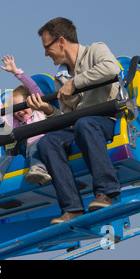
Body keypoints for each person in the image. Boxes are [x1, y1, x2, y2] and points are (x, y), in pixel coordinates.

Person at [27, 17, 121, 225]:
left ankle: (106, 192)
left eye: (47, 47)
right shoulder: (59, 78)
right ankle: (72, 208)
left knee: (85, 123)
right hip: (80, 127)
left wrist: (75, 83)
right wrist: (49, 110)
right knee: (47, 141)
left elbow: (112, 69)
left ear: (61, 41)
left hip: (105, 120)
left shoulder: (96, 50)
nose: (45, 53)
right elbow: (67, 120)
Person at [0, 55, 52, 186]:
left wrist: (16, 72)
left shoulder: (39, 112)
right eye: (15, 109)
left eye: (23, 106)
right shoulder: (16, 123)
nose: (20, 111)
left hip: (42, 146)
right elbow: (1, 113)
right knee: (8, 157)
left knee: (35, 147)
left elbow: (34, 88)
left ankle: (39, 169)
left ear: (32, 102)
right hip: (26, 152)